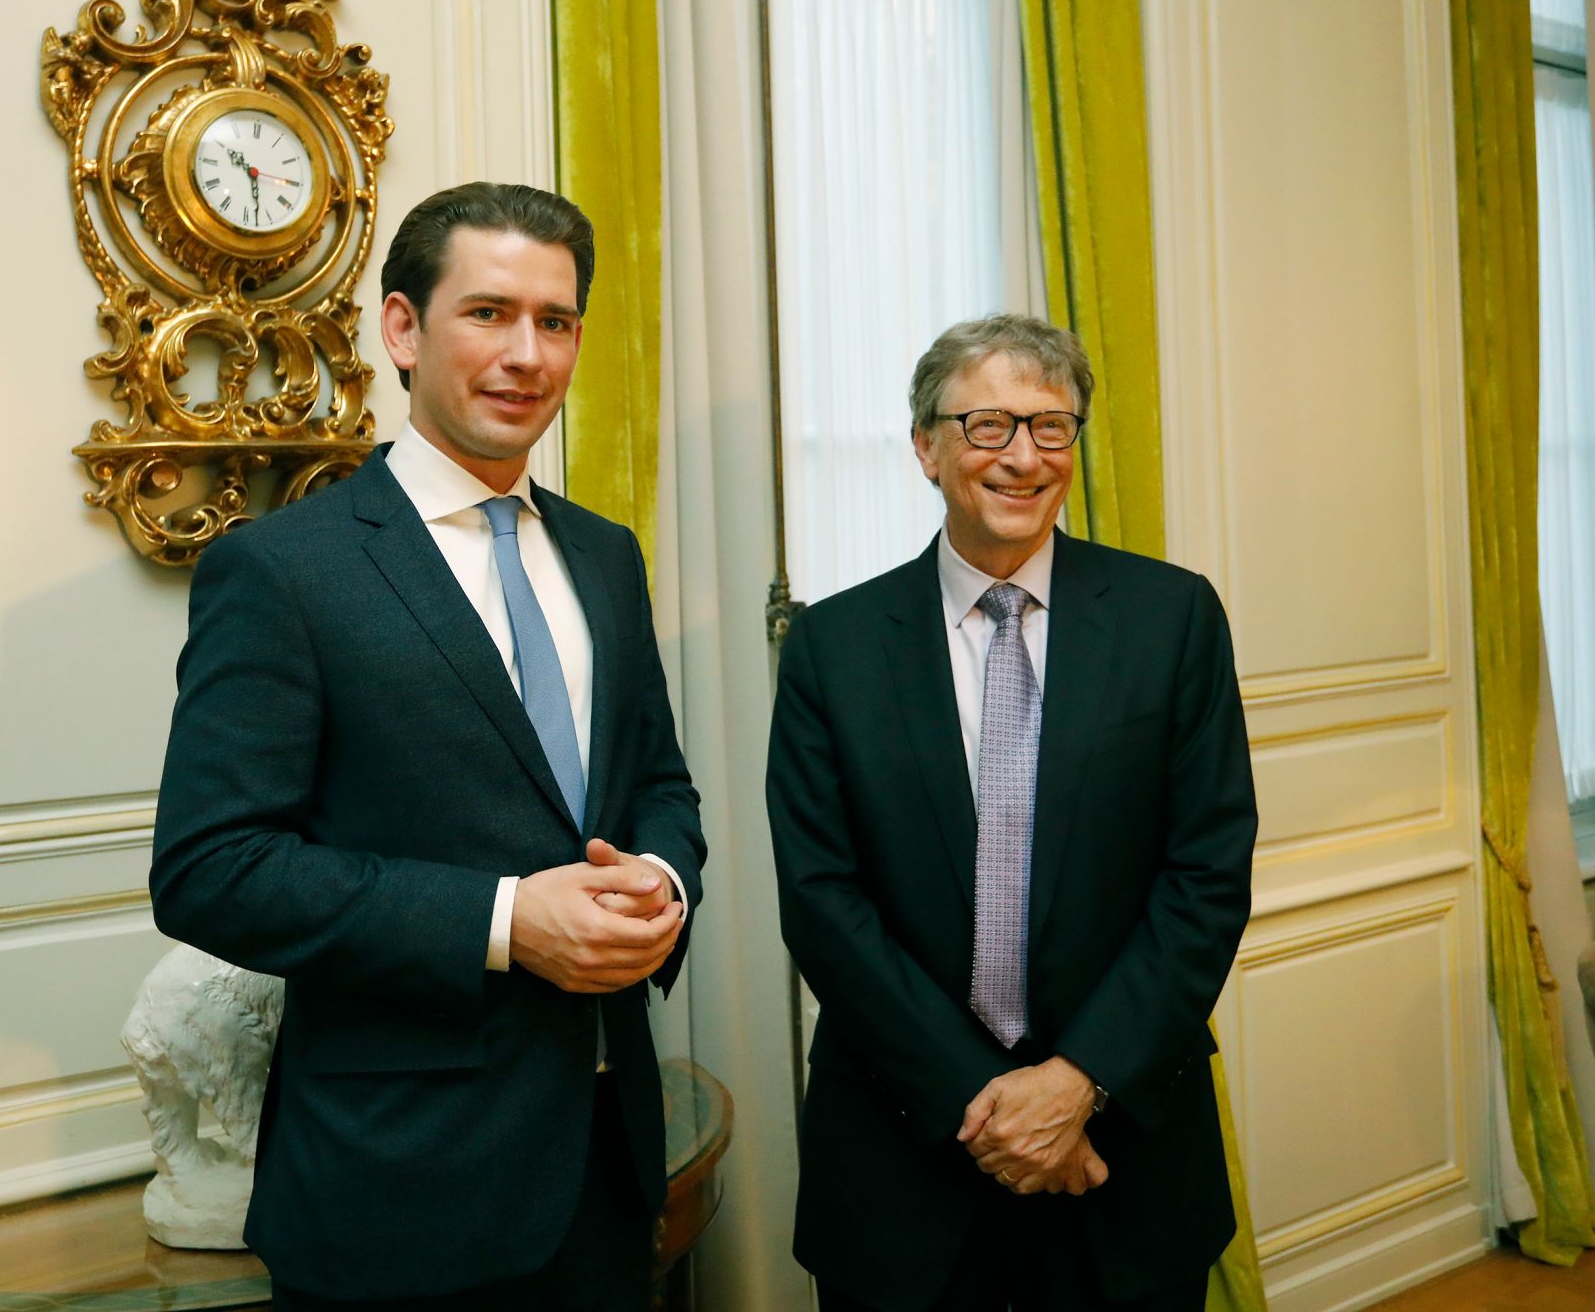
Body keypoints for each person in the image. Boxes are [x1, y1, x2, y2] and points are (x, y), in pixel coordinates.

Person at [150, 181, 705, 1312]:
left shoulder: (605, 555)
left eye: (554, 322)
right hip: (394, 1188)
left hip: (605, 1167)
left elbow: (655, 785)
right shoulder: (286, 570)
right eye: (487, 313)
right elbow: (211, 870)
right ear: (401, 328)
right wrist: (507, 923)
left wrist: (658, 882)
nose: (525, 354)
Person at [767, 314, 1256, 1312]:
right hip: (900, 1152)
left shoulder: (1172, 620)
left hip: (1122, 1150)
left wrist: (1075, 1083)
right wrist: (991, 1109)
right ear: (925, 446)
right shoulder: (833, 645)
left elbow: (1203, 875)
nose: (1022, 457)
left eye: (1050, 427)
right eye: (986, 425)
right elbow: (823, 899)